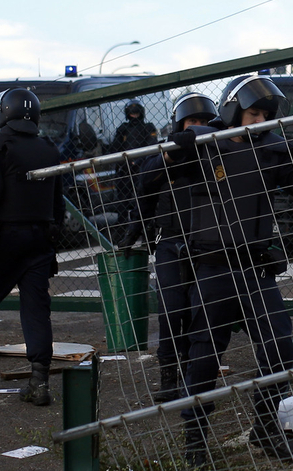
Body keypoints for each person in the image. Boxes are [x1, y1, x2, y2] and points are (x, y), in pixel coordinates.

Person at [164, 75, 293, 466]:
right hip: (212, 268)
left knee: (279, 344)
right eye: (252, 113)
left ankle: (265, 425)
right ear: (234, 110)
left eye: (264, 115)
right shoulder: (204, 141)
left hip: (256, 270)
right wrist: (176, 152)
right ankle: (195, 438)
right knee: (204, 357)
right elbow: (158, 172)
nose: (258, 120)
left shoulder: (272, 146)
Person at [120, 93, 218, 403]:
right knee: (170, 312)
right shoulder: (164, 156)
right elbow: (145, 184)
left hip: (206, 246)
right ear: (180, 125)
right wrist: (171, 156)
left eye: (203, 123)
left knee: (199, 312)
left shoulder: (219, 155)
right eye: (192, 122)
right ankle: (168, 376)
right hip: (171, 244)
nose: (198, 128)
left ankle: (193, 373)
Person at [0, 88, 64, 406]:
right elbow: (58, 203)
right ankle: (39, 381)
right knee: (36, 309)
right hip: (40, 239)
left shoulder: (1, 144)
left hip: (5, 236)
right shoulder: (49, 148)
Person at [110, 99, 158, 225]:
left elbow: (152, 147)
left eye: (137, 112)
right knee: (122, 202)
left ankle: (146, 229)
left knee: (144, 200)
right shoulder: (123, 129)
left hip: (142, 168)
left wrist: (138, 161)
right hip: (125, 169)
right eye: (132, 112)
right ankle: (123, 229)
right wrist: (126, 163)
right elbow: (115, 148)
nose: (134, 115)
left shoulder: (148, 128)